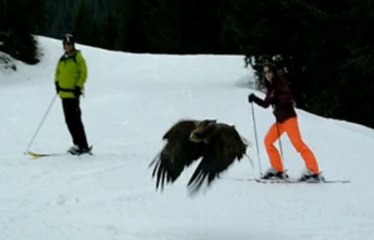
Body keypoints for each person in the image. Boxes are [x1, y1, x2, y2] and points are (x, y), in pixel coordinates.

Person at [248, 63, 322, 181]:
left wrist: (278, 99)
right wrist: (255, 99)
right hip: (281, 121)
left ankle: (314, 171)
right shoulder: (271, 88)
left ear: (274, 72)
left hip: (289, 118)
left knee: (298, 144)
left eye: (269, 72)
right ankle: (278, 169)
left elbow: (287, 96)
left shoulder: (280, 84)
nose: (267, 74)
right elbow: (266, 104)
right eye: (265, 72)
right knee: (268, 141)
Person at [55, 33, 91, 155]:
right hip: (64, 94)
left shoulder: (78, 57)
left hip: (73, 94)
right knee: (69, 121)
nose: (67, 47)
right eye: (65, 45)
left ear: (73, 45)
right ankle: (77, 143)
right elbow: (58, 72)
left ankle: (82, 145)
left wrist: (78, 85)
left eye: (69, 44)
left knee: (75, 120)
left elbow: (84, 72)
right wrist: (57, 83)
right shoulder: (62, 59)